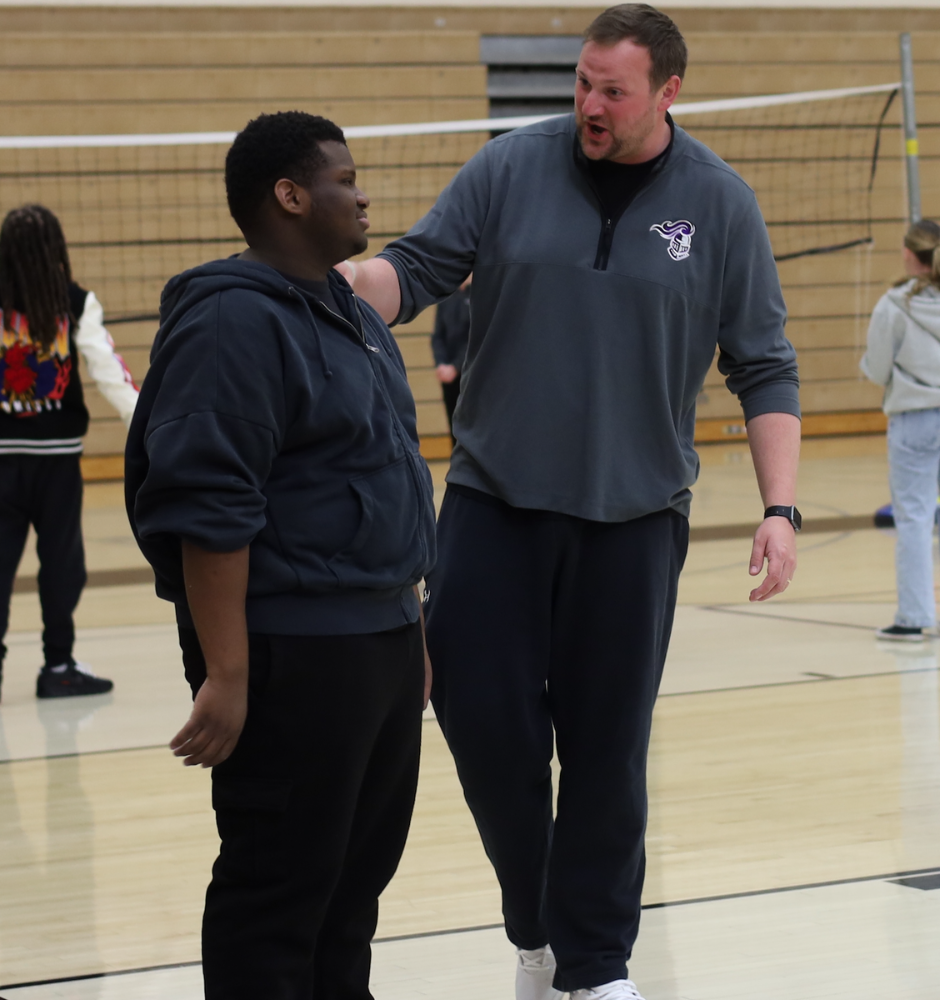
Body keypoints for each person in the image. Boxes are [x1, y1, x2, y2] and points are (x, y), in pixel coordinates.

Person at [339, 5, 801, 999]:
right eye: (583, 82)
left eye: (613, 90)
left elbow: (764, 365)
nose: (590, 103)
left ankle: (595, 967)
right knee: (480, 721)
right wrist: (337, 283)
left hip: (635, 521)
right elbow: (413, 269)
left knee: (607, 752)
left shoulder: (720, 205)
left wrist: (781, 507)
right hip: (493, 503)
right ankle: (535, 922)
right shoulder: (507, 168)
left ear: (667, 92)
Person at [124, 111, 436, 1000]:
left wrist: (409, 629)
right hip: (293, 652)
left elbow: (384, 478)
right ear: (290, 196)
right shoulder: (231, 321)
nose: (363, 195)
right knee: (278, 894)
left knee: (352, 891)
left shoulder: (354, 316)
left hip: (380, 640)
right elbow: (208, 507)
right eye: (345, 179)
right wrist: (228, 673)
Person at [0, 204, 137, 707]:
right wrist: (147, 431)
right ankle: (58, 666)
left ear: (2, 251)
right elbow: (110, 372)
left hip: (2, 465)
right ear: (57, 250)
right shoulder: (75, 301)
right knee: (62, 567)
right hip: (57, 467)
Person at [861, 218, 940, 642]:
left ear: (909, 254)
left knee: (913, 519)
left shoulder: (893, 305)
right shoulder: (894, 303)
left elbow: (876, 369)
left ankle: (913, 618)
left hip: (915, 420)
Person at [431, 275, 471, 440]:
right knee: (453, 422)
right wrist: (441, 363)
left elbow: (474, 338)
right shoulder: (446, 298)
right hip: (448, 373)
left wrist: (456, 366)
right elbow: (437, 336)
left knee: (469, 424)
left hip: (470, 373)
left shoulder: (479, 297)